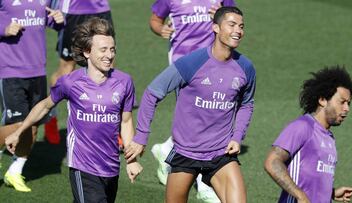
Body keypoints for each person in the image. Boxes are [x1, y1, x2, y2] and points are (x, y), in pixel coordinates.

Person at [5, 17, 142, 202]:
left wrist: (132, 161)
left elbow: (125, 121)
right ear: (87, 52)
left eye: (112, 49)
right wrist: (19, 132)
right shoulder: (70, 82)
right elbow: (44, 106)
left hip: (111, 167)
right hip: (82, 167)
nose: (109, 55)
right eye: (103, 50)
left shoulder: (124, 82)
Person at [126, 7, 255, 203]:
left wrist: (237, 136)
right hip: (186, 153)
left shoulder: (245, 68)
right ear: (216, 28)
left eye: (241, 26)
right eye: (232, 25)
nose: (238, 30)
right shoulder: (192, 63)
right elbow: (152, 93)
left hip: (221, 153)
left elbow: (246, 103)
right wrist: (142, 136)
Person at [149, 0, 236, 201]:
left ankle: (167, 149)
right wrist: (160, 29)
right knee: (195, 117)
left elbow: (233, 16)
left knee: (208, 114)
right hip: (183, 65)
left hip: (213, 62)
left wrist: (223, 13)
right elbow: (155, 19)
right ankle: (204, 184)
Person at [264, 66, 352, 203]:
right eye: (342, 102)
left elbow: (310, 179)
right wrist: (299, 195)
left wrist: (331, 193)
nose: (347, 108)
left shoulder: (329, 138)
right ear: (323, 100)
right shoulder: (303, 127)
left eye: (348, 103)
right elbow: (272, 162)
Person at [0, 0, 64, 192]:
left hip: (37, 70)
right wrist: (4, 28)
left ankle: (14, 171)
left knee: (33, 126)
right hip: (11, 70)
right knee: (17, 125)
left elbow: (46, 18)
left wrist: (58, 20)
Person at [44, 0, 115, 145]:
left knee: (107, 68)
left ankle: (111, 126)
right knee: (66, 71)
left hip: (101, 10)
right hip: (73, 12)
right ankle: (50, 118)